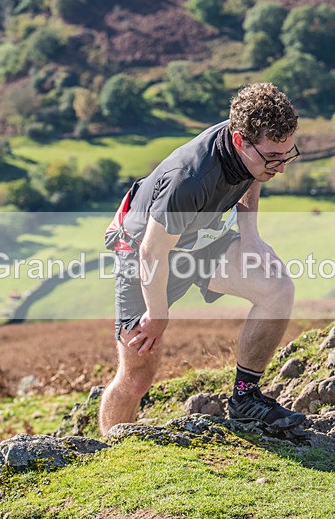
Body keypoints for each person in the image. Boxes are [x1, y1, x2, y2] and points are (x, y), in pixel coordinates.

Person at [98, 82, 305, 436]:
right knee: (137, 377)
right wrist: (158, 315)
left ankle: (245, 399)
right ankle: (113, 454)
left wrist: (250, 236)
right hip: (143, 255)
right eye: (273, 157)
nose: (281, 167)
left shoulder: (252, 154)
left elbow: (251, 177)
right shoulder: (190, 179)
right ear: (239, 141)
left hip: (201, 240)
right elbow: (152, 251)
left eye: (287, 154)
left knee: (277, 288)